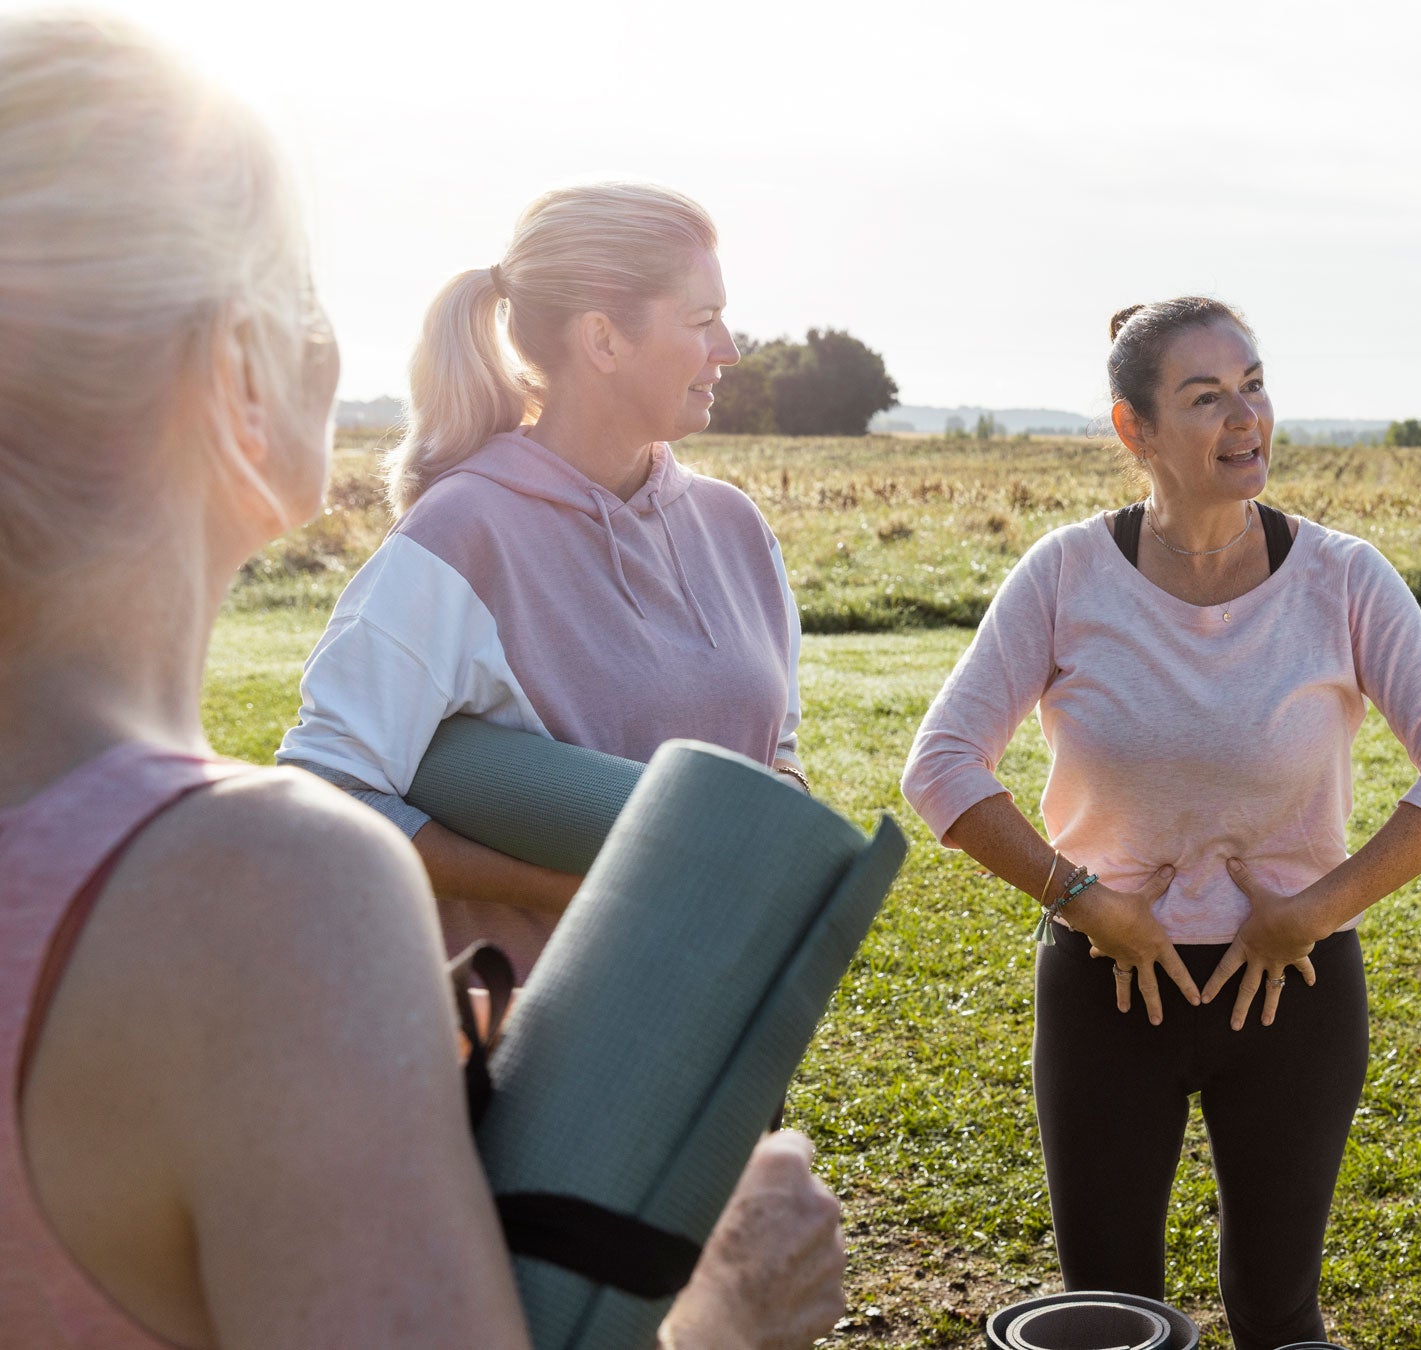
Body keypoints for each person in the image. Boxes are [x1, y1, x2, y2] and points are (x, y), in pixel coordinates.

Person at [0, 15, 842, 1346]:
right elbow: (338, 775)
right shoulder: (272, 892)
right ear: (239, 374)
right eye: (301, 293)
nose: (732, 345)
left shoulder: (735, 529)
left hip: (705, 1049)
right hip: (535, 1085)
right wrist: (729, 1314)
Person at [900, 298, 1421, 1350]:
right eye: (1206, 397)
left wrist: (1310, 914)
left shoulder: (1344, 578)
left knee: (1278, 1311)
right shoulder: (1064, 575)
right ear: (1132, 431)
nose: (1247, 417)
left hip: (1294, 988)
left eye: (1255, 385)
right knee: (1108, 1310)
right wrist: (1086, 903)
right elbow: (941, 765)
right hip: (1105, 981)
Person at [275, 181, 807, 974]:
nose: (729, 348)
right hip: (532, 1053)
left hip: (725, 1025)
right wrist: (571, 889)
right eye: (701, 321)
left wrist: (780, 819)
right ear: (603, 339)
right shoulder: (462, 534)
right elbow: (322, 796)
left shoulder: (736, 530)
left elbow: (778, 746)